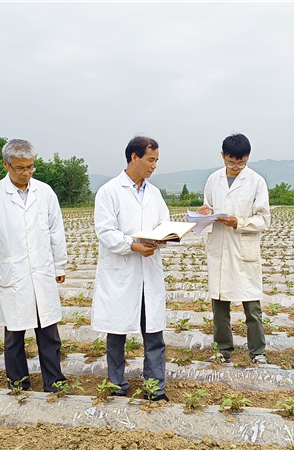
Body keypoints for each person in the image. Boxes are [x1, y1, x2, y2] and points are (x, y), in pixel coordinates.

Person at [0, 139, 69, 393]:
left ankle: (54, 380)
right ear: (6, 165)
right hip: (13, 274)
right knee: (14, 334)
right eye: (20, 168)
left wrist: (59, 265)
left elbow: (55, 231)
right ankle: (18, 382)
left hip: (41, 271)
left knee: (48, 332)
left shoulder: (45, 192)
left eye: (30, 167)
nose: (26, 173)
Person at [91, 136, 170, 401]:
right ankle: (116, 386)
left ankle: (155, 389)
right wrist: (132, 245)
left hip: (149, 271)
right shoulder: (110, 191)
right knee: (117, 333)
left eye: (156, 161)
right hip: (122, 273)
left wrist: (165, 237)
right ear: (134, 157)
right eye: (151, 159)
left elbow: (164, 223)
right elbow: (105, 231)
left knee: (154, 334)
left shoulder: (154, 193)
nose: (154, 166)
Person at [197, 133, 271, 365]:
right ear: (223, 156)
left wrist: (238, 222)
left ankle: (258, 351)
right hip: (220, 247)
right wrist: (205, 214)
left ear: (247, 158)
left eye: (241, 162)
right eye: (231, 162)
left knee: (251, 305)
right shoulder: (213, 180)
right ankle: (223, 349)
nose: (236, 167)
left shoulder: (256, 181)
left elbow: (264, 220)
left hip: (243, 248)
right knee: (219, 303)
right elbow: (208, 208)